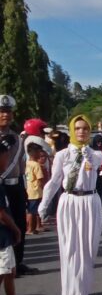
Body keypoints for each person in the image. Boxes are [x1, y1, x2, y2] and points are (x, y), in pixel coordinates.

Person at [39, 115, 102, 295]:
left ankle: (83, 292)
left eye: (85, 128)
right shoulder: (63, 155)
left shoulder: (96, 155)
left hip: (90, 202)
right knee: (70, 250)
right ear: (71, 131)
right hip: (70, 202)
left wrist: (88, 155)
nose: (81, 132)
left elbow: (96, 170)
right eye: (77, 128)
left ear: (90, 131)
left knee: (88, 251)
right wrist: (44, 203)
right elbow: (55, 180)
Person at [0, 95, 35, 277]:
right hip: (1, 186)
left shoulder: (18, 138)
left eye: (8, 111)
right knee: (5, 224)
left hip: (15, 186)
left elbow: (21, 166)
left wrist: (24, 188)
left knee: (19, 223)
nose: (5, 114)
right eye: (2, 111)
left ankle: (18, 262)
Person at [0, 134, 28, 295]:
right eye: (5, 156)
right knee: (2, 275)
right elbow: (1, 214)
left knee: (9, 272)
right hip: (1, 236)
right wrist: (16, 229)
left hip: (4, 237)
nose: (8, 160)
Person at [25, 143, 45, 235]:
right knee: (32, 211)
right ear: (35, 153)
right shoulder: (36, 165)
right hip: (36, 191)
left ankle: (32, 228)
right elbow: (40, 178)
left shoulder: (27, 163)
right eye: (39, 152)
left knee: (31, 210)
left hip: (29, 190)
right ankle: (30, 229)